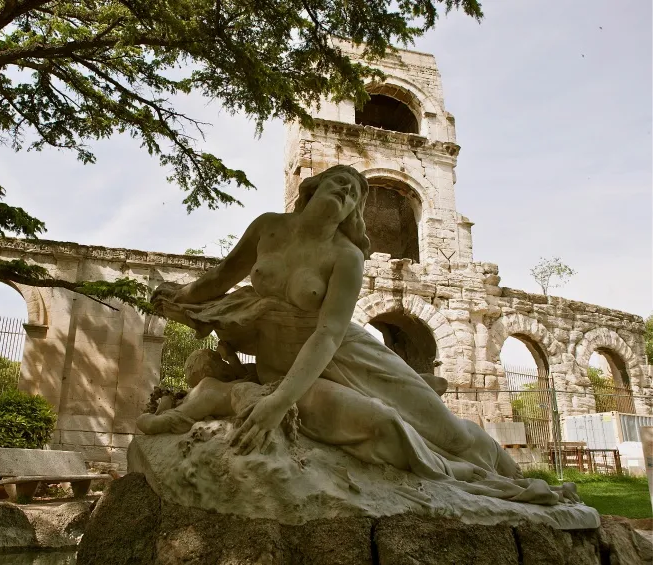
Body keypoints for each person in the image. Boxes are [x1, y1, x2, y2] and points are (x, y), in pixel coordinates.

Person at [141, 165, 577, 505]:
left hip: (345, 353)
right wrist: (180, 295)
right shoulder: (268, 227)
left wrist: (280, 400)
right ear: (312, 189)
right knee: (387, 428)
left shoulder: (346, 257)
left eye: (355, 195)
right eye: (340, 183)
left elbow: (329, 333)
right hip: (288, 366)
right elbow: (218, 279)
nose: (347, 193)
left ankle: (517, 481)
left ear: (354, 214)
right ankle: (462, 476)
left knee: (450, 433)